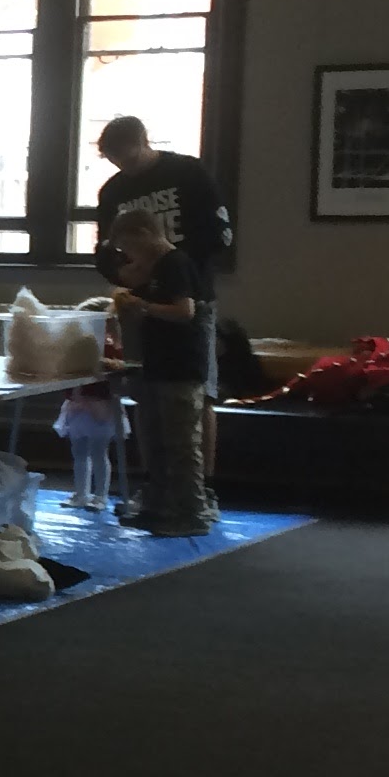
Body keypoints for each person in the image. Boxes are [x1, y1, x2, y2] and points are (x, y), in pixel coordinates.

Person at [91, 114, 231, 474]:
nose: (123, 167)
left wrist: (171, 266)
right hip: (140, 305)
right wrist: (121, 273)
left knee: (198, 393)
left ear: (144, 142)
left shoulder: (187, 173)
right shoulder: (113, 192)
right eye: (115, 160)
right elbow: (104, 250)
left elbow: (218, 235)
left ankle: (203, 485)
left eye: (127, 157)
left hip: (191, 298)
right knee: (145, 391)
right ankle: (154, 481)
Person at [106, 209, 217, 536]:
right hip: (156, 366)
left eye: (128, 246)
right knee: (155, 441)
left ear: (143, 234)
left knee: (181, 445)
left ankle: (192, 513)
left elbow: (185, 311)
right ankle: (158, 507)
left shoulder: (175, 263)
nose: (129, 255)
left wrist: (143, 307)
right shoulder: (153, 269)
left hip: (180, 367)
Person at [56, 374, 125, 511]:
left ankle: (100, 496)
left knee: (99, 452)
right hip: (77, 403)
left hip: (100, 404)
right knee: (79, 453)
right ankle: (81, 494)